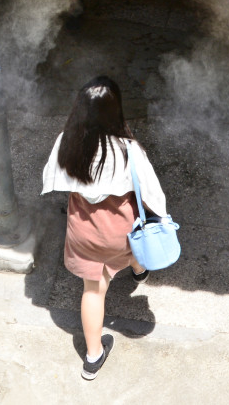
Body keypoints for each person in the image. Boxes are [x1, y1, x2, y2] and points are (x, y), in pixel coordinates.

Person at [41, 76, 168, 380]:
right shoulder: (127, 149)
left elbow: (51, 178)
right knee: (137, 235)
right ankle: (139, 269)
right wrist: (162, 217)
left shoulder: (66, 142)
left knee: (93, 291)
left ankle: (93, 357)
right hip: (120, 231)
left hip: (83, 232)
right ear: (116, 111)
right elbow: (151, 194)